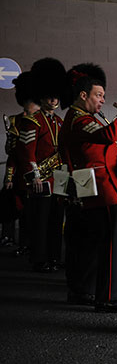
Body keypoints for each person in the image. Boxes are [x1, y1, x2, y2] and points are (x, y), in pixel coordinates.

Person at [59, 63, 117, 312]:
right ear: (83, 95)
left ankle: (83, 290)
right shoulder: (80, 118)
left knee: (87, 243)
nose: (102, 100)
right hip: (101, 187)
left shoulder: (82, 117)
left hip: (91, 185)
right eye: (98, 95)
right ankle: (110, 297)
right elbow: (108, 136)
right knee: (111, 243)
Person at [17, 58, 67, 273]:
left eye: (56, 96)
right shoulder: (32, 121)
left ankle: (54, 257)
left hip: (58, 178)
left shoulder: (59, 122)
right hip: (41, 179)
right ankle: (39, 259)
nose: (54, 99)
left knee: (56, 221)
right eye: (49, 95)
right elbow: (26, 152)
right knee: (41, 221)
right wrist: (34, 176)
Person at [2, 72, 40, 255]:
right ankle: (12, 238)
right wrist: (9, 176)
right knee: (14, 207)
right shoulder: (16, 120)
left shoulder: (45, 120)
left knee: (32, 214)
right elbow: (12, 152)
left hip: (40, 172)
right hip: (21, 174)